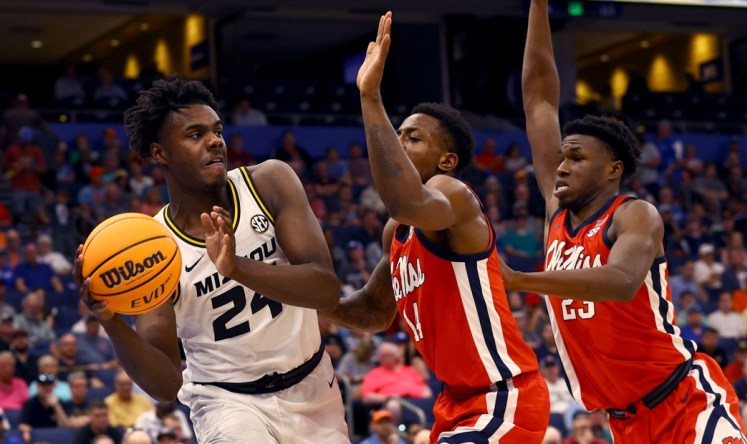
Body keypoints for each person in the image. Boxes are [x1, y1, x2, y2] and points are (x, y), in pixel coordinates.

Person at [498, 1, 747, 442]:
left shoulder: (634, 214)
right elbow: (538, 99)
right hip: (623, 423)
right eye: (561, 157)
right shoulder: (556, 214)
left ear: (613, 169)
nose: (561, 166)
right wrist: (537, 5)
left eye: (576, 157)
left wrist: (520, 280)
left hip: (685, 401)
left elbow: (620, 280)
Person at [73, 75, 348, 443]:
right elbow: (166, 383)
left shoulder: (269, 183)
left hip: (313, 385)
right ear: (159, 153)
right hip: (227, 402)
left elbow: (326, 290)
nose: (215, 140)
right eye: (195, 134)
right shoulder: (153, 247)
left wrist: (238, 267)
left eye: (216, 130)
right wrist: (108, 319)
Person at [320, 12, 549, 443]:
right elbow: (373, 310)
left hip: (503, 395)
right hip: (455, 402)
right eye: (400, 134)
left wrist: (371, 98)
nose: (401, 143)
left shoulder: (453, 193)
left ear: (446, 161)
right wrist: (305, 300)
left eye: (414, 138)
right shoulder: (396, 231)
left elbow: (404, 197)